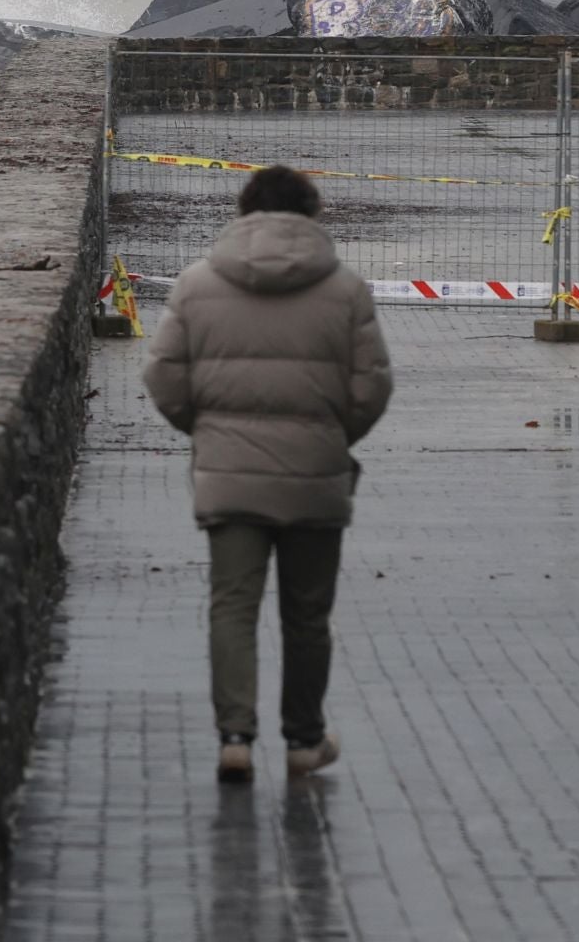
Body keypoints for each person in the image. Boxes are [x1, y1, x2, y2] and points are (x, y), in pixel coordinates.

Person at [141, 166, 393, 783]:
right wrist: (334, 436)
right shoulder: (347, 290)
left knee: (232, 607)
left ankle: (235, 737)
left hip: (230, 476)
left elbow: (163, 378)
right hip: (315, 475)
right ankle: (305, 741)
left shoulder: (198, 284)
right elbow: (373, 386)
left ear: (244, 212)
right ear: (311, 214)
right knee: (306, 616)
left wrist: (208, 432)